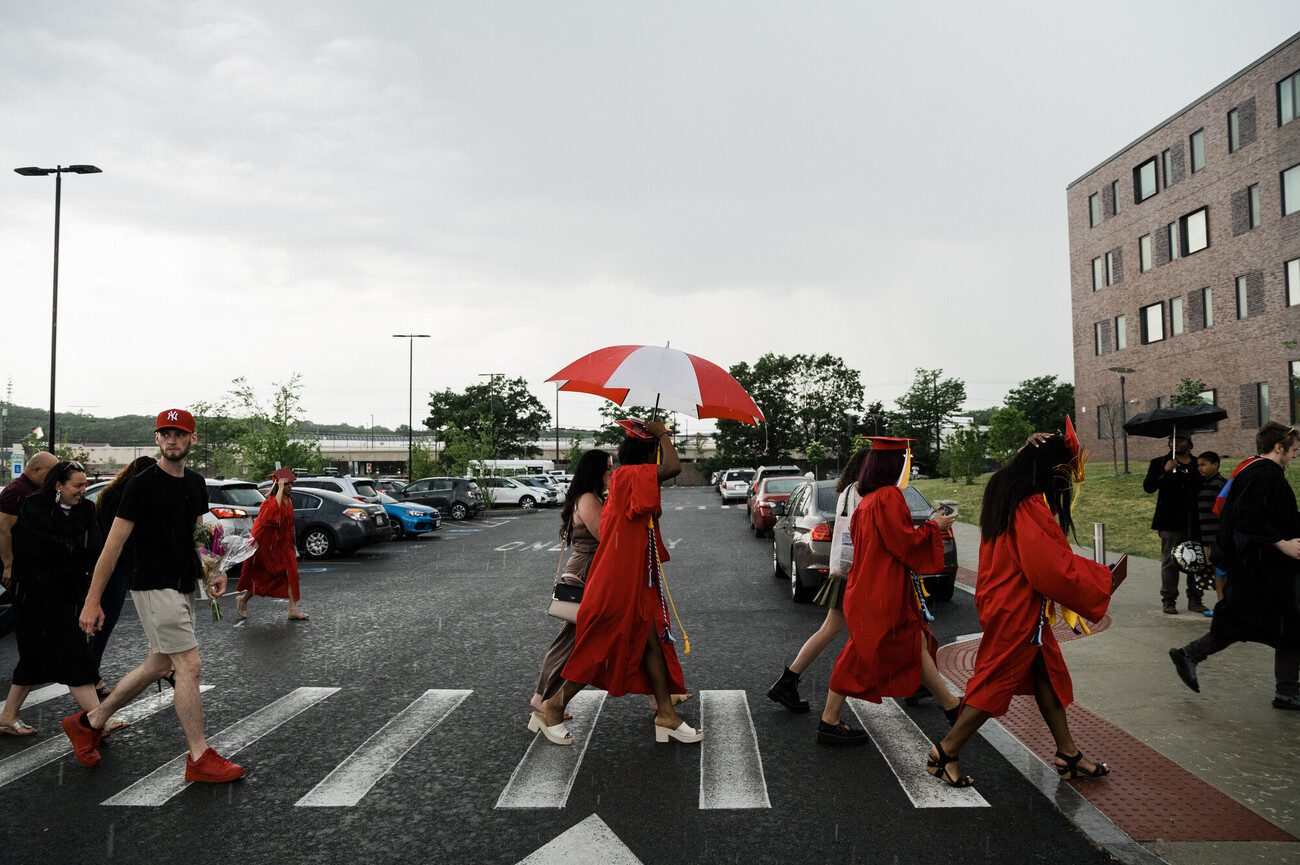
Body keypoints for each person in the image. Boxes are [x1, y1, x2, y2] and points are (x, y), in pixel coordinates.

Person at [927, 423, 1116, 787]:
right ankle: (945, 751)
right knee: (996, 680)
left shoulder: (1004, 489)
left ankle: (1068, 753)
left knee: (1047, 672)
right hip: (1018, 606)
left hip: (1005, 596)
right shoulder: (1028, 503)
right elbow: (1050, 567)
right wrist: (1101, 578)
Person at [67, 409, 245, 781]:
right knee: (189, 666)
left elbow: (199, 534)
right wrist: (92, 599)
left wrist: (213, 572)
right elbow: (113, 546)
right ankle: (199, 757)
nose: (171, 440)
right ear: (157, 439)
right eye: (165, 434)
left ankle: (90, 721)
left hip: (182, 586)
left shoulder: (196, 483)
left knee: (157, 666)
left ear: (192, 439)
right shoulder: (142, 485)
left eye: (179, 434)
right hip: (152, 585)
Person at [535, 419, 701, 746]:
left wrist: (658, 438)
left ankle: (666, 713)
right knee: (601, 647)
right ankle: (553, 706)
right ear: (647, 453)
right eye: (655, 450)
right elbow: (672, 467)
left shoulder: (629, 482)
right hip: (617, 581)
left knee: (650, 640)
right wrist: (663, 432)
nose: (659, 455)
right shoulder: (627, 476)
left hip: (633, 579)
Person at [818, 438, 962, 746]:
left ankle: (951, 706)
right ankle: (828, 721)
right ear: (893, 466)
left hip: (869, 588)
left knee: (916, 642)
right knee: (859, 654)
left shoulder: (868, 499)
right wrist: (934, 526)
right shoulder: (887, 497)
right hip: (880, 592)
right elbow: (905, 543)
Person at [1170, 422, 1300, 710]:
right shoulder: (1265, 474)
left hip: (1260, 568)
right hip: (1263, 569)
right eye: (1292, 451)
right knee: (1283, 624)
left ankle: (1286, 691)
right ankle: (1286, 692)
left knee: (1265, 624)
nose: (1294, 456)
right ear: (1278, 448)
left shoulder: (1252, 470)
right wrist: (1282, 543)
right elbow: (1247, 517)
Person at [0, 462, 123, 738]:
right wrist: (74, 547)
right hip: (34, 594)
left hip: (68, 592)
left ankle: (7, 716)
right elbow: (49, 549)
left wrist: (93, 593)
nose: (83, 490)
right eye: (77, 485)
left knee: (32, 658)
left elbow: (93, 548)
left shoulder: (87, 509)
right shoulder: (34, 508)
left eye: (84, 484)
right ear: (58, 485)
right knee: (75, 652)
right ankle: (96, 720)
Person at [767, 446, 869, 713]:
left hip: (843, 568)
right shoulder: (862, 492)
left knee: (829, 629)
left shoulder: (847, 491)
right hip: (858, 572)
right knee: (871, 633)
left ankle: (788, 681)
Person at [528, 449, 611, 713]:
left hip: (590, 573)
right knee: (570, 641)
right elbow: (606, 536)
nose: (612, 472)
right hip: (583, 576)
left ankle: (546, 696)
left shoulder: (594, 497)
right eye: (608, 467)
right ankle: (542, 697)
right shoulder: (587, 499)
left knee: (573, 640)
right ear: (595, 471)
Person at [90, 456, 157, 697]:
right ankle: (91, 672)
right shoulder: (128, 497)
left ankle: (165, 667)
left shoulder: (110, 494)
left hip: (122, 563)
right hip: (122, 563)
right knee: (106, 620)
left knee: (108, 619)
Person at [235, 468, 307, 621]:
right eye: (287, 485)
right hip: (266, 546)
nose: (290, 487)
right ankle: (243, 599)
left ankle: (293, 608)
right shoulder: (270, 502)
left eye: (290, 484)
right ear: (279, 486)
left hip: (284, 545)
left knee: (292, 574)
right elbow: (271, 519)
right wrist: (279, 488)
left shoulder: (289, 501)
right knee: (262, 576)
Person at [1143, 434, 1204, 614]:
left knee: (1196, 559)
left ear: (1189, 442)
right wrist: (1165, 470)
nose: (1177, 443)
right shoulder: (1159, 462)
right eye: (1174, 440)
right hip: (1169, 520)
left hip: (1194, 520)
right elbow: (1148, 487)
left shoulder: (1197, 463)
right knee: (1170, 561)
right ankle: (1168, 600)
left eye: (1181, 440)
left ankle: (1195, 599)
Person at [0, 452, 57, 593]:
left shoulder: (31, 490)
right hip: (14, 564)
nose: (54, 478)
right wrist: (8, 565)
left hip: (26, 562)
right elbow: (2, 528)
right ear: (36, 470)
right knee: (22, 607)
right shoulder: (18, 491)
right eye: (51, 473)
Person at [1194, 451, 1227, 611]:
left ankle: (1225, 605)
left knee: (1222, 572)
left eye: (1204, 465)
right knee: (1215, 571)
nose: (1200, 468)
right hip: (1206, 538)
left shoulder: (1221, 484)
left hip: (1219, 537)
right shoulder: (1202, 484)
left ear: (1215, 465)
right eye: (1198, 465)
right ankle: (1221, 604)